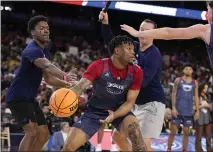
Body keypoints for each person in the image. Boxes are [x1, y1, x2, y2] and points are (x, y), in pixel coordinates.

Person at [61, 35, 147, 151]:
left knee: (135, 132)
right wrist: (63, 98)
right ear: (117, 51)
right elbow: (79, 88)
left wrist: (114, 115)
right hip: (94, 112)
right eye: (129, 49)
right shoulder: (98, 66)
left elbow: (130, 102)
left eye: (133, 49)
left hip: (119, 111)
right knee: (68, 147)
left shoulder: (137, 72)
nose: (133, 53)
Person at [5, 15, 77, 151]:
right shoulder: (31, 50)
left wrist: (67, 84)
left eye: (47, 28)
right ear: (33, 32)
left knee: (44, 134)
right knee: (31, 132)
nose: (46, 31)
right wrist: (65, 76)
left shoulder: (45, 53)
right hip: (17, 97)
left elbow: (49, 79)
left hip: (30, 99)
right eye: (41, 28)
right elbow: (47, 66)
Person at [99, 11, 166, 151]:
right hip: (135, 103)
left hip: (151, 103)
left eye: (148, 31)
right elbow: (113, 47)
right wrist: (105, 25)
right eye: (141, 30)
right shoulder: (133, 47)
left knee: (144, 146)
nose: (143, 33)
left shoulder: (154, 54)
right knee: (117, 136)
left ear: (154, 34)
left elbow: (144, 82)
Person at [120, 2, 213, 70]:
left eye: (208, 9)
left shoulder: (206, 30)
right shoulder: (205, 30)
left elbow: (168, 33)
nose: (207, 13)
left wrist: (138, 33)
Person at [167, 63, 199, 152]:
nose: (188, 70)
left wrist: (197, 111)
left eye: (190, 69)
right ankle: (169, 149)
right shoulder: (178, 80)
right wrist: (173, 107)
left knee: (186, 133)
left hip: (188, 112)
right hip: (178, 111)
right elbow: (173, 94)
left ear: (192, 71)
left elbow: (196, 97)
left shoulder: (195, 82)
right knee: (173, 132)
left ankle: (184, 150)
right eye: (186, 68)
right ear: (183, 70)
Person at [195, 83, 212, 152]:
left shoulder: (209, 96)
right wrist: (202, 106)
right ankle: (199, 150)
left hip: (207, 119)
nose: (206, 89)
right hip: (200, 119)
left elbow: (211, 107)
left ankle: (209, 150)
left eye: (207, 88)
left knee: (208, 137)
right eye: (205, 88)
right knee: (199, 137)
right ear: (201, 88)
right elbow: (193, 107)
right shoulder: (197, 96)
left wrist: (207, 105)